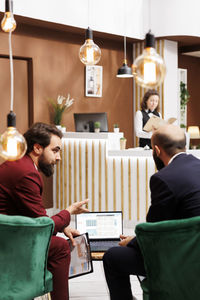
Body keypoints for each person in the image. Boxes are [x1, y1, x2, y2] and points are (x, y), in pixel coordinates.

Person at [103, 124, 200, 300]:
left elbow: (153, 234)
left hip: (181, 259)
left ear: (156, 150)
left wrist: (132, 243)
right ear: (184, 145)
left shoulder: (163, 178)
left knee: (113, 257)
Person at [0, 122, 89, 300]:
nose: (59, 158)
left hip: (8, 232)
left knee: (57, 239)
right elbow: (42, 226)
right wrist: (68, 212)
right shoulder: (27, 174)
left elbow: (35, 215)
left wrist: (62, 227)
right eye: (55, 150)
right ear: (38, 148)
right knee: (61, 247)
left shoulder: (19, 165)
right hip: (6, 243)